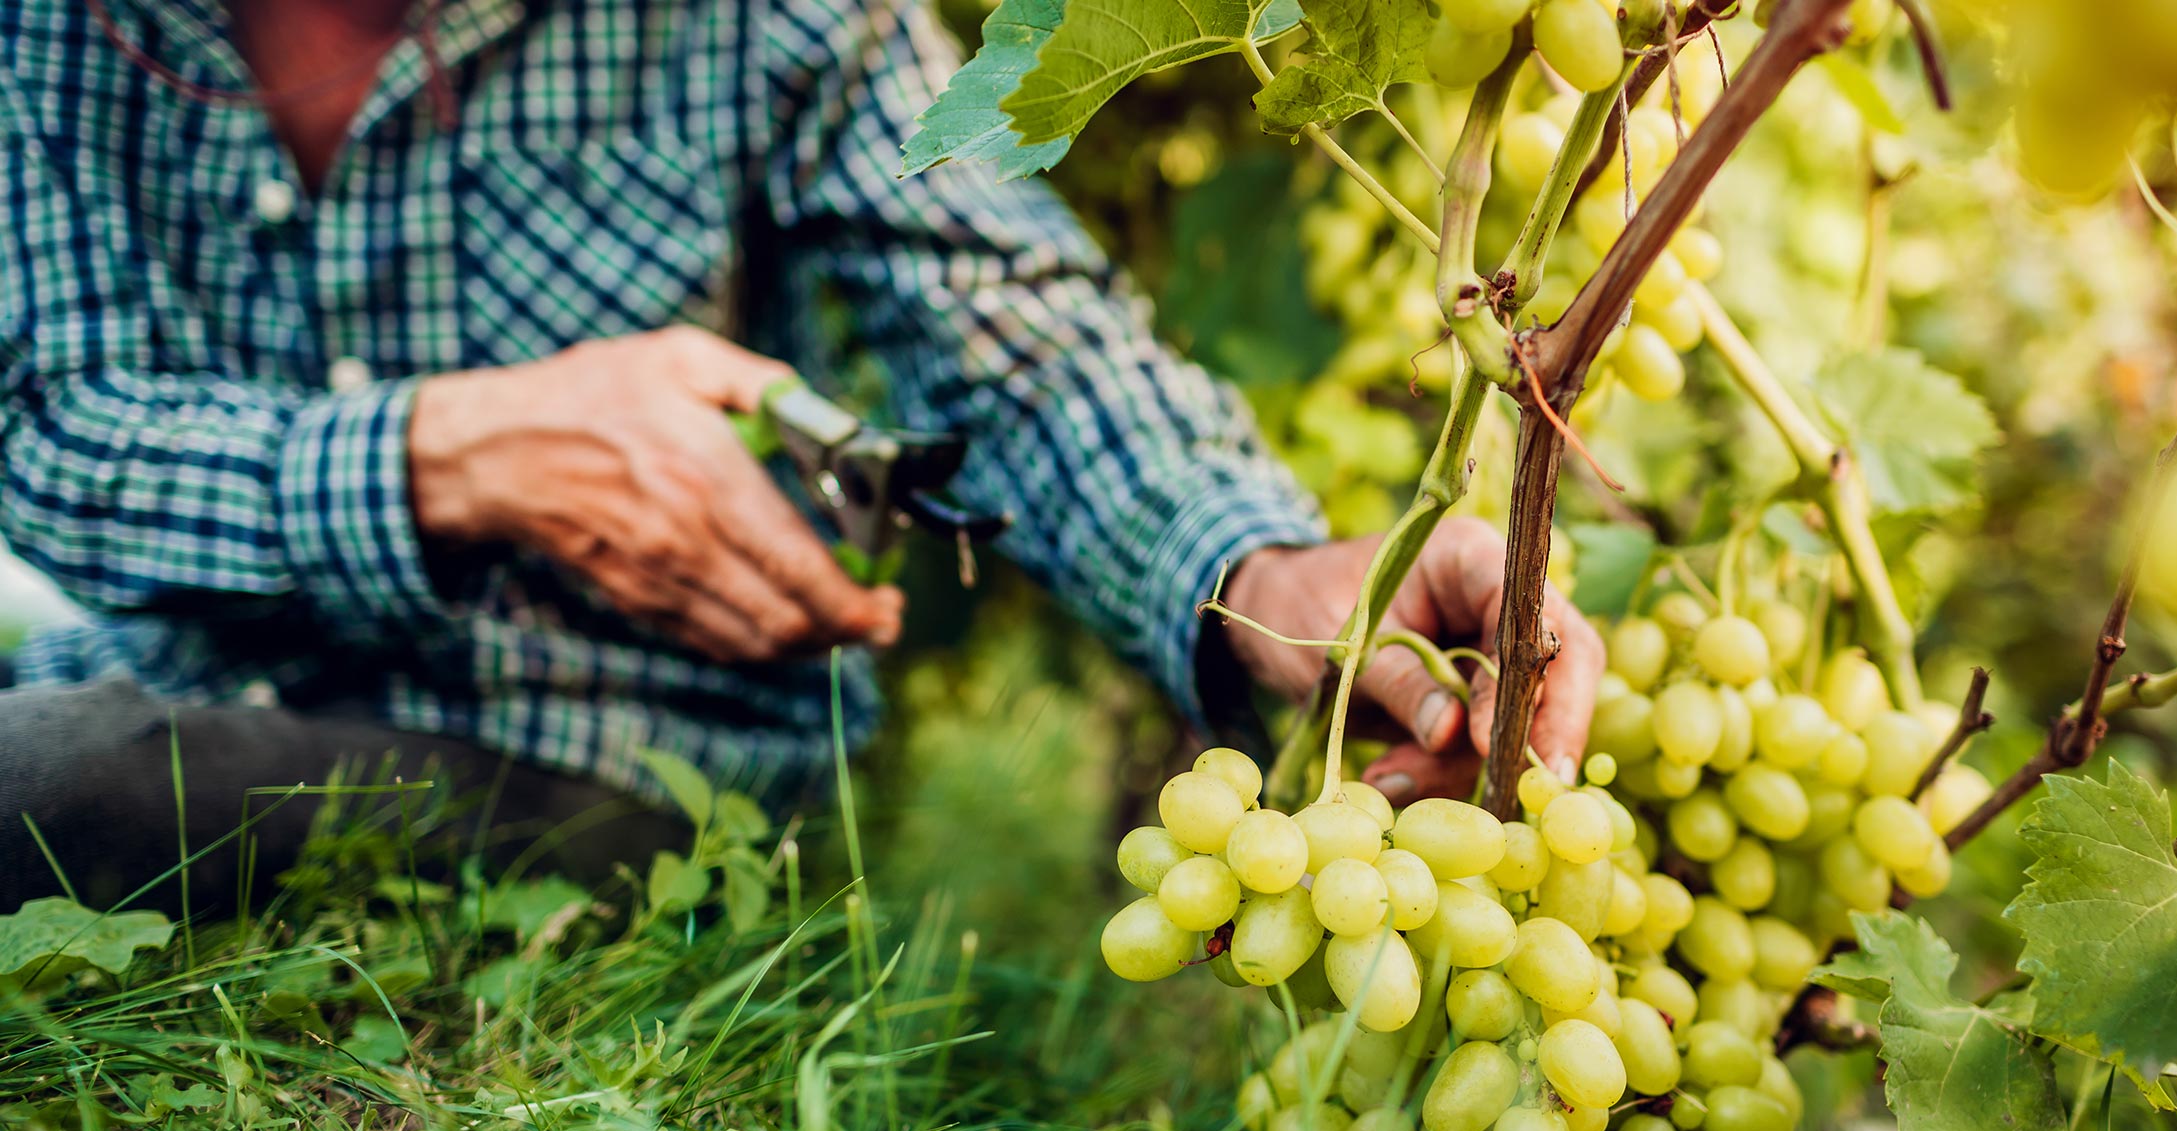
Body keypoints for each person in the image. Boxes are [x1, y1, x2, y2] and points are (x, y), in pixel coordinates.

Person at [0, 0, 1601, 910]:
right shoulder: (57, 31)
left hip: (627, 770)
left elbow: (1008, 328)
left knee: (45, 778)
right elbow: (46, 420)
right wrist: (445, 452)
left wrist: (1258, 572)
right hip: (172, 688)